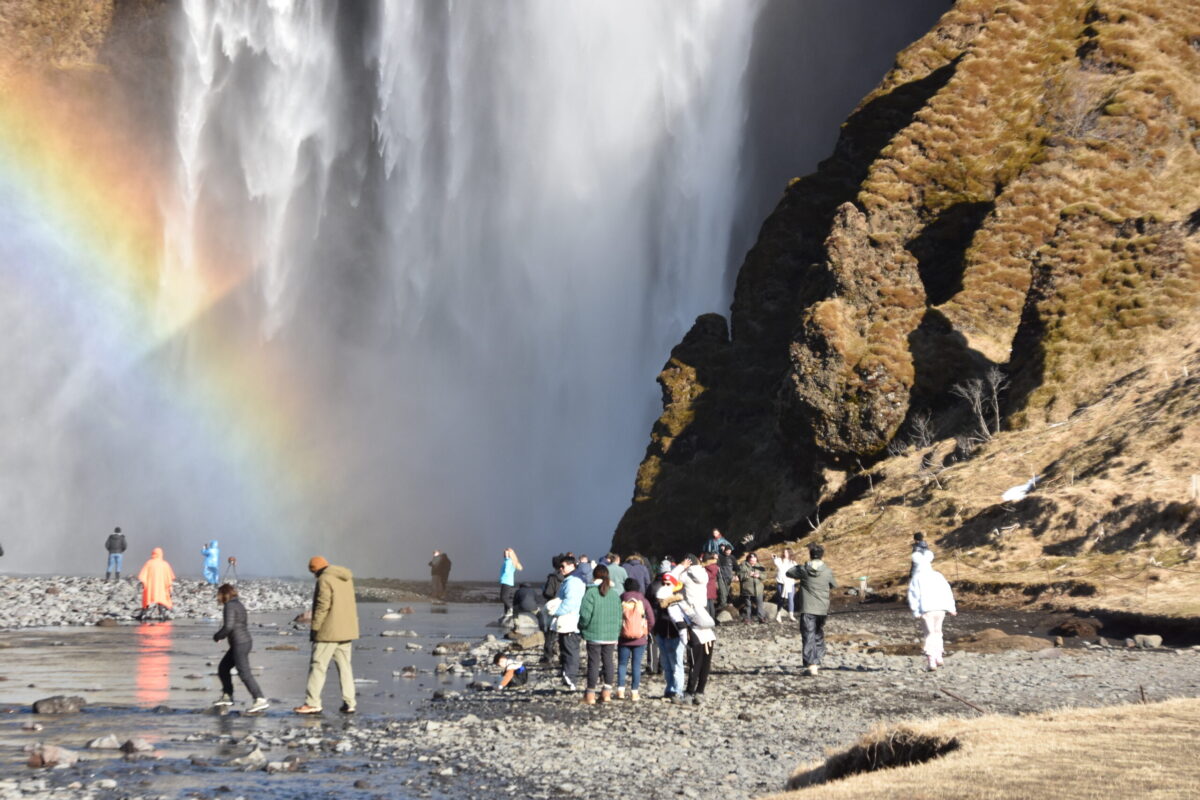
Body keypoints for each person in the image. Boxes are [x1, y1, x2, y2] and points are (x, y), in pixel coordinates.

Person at [294, 556, 360, 715]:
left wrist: (315, 629)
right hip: (347, 630)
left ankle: (312, 703)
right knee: (345, 667)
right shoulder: (345, 577)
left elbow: (322, 606)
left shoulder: (324, 579)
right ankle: (350, 703)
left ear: (314, 570)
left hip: (329, 631)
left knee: (318, 666)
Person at [212, 583, 269, 713]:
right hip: (243, 642)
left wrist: (218, 636)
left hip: (240, 643)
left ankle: (260, 699)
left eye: (219, 595)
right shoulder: (238, 604)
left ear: (223, 595)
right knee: (223, 667)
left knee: (244, 672)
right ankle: (227, 696)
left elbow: (228, 627)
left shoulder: (230, 606)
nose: (218, 598)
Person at [788, 543, 838, 676]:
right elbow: (833, 585)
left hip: (808, 607)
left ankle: (812, 665)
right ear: (822, 556)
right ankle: (818, 657)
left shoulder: (804, 569)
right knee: (818, 632)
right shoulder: (827, 571)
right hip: (822, 608)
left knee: (808, 634)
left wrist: (801, 565)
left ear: (810, 555)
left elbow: (789, 572)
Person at [908, 546, 957, 670]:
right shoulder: (938, 576)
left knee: (929, 633)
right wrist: (951, 607)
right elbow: (947, 591)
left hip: (926, 609)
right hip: (940, 608)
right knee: (938, 632)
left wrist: (915, 610)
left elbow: (914, 595)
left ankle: (931, 660)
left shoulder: (917, 578)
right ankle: (939, 655)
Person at [578, 564, 620, 704]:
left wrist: (582, 628)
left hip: (594, 634)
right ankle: (606, 693)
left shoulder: (590, 593)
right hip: (611, 635)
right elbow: (619, 616)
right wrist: (616, 631)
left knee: (593, 663)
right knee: (608, 662)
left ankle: (590, 695)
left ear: (594, 576)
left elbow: (584, 615)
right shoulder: (614, 594)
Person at [549, 555, 585, 690]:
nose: (561, 569)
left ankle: (570, 679)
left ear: (572, 566)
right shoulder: (572, 580)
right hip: (570, 622)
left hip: (570, 622)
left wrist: (555, 611)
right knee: (567, 650)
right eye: (560, 567)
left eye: (563, 566)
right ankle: (568, 678)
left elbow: (570, 603)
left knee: (570, 651)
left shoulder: (572, 582)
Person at [616, 578, 655, 701]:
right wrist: (646, 631)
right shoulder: (643, 600)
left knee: (622, 664)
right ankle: (634, 692)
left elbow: (615, 617)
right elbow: (652, 619)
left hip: (623, 638)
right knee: (636, 665)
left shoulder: (620, 599)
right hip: (640, 638)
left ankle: (620, 691)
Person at [653, 575, 688, 703]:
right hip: (661, 632)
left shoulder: (678, 598)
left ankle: (678, 691)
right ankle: (669, 689)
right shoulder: (659, 597)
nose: (665, 585)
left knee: (677, 663)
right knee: (666, 663)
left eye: (668, 583)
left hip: (675, 633)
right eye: (664, 583)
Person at [136, 548, 176, 620]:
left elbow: (143, 575)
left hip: (151, 587)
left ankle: (144, 613)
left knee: (147, 599)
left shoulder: (149, 563)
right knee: (161, 599)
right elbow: (169, 577)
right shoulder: (165, 564)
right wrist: (170, 587)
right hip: (162, 587)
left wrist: (143, 583)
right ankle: (162, 613)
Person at [540, 555, 565, 664]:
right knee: (563, 633)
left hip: (553, 605)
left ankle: (548, 656)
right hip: (564, 605)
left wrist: (544, 591)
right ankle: (563, 656)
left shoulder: (552, 577)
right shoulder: (567, 577)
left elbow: (548, 593)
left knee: (549, 632)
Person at [671, 554, 709, 621]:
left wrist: (681, 566)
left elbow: (670, 578)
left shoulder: (685, 575)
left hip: (691, 606)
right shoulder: (704, 572)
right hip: (703, 605)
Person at [738, 553, 767, 623]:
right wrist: (748, 574)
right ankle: (747, 618)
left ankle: (761, 618)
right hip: (747, 588)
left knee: (760, 604)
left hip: (758, 589)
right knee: (748, 605)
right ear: (748, 559)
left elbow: (764, 576)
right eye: (751, 560)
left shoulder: (760, 566)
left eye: (754, 559)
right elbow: (740, 576)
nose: (753, 561)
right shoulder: (743, 565)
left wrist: (759, 575)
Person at [772, 548, 798, 623]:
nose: (785, 553)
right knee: (781, 598)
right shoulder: (780, 560)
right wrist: (774, 557)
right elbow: (776, 561)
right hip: (781, 582)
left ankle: (791, 614)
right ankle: (778, 614)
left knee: (790, 598)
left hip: (790, 582)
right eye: (784, 552)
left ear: (790, 553)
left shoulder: (793, 562)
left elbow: (796, 571)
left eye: (786, 552)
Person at [498, 548, 523, 622]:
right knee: (506, 597)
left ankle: (511, 609)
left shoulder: (508, 561)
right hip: (507, 581)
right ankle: (507, 612)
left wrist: (506, 568)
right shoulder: (510, 561)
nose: (505, 555)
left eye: (507, 554)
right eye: (504, 553)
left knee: (503, 597)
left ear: (510, 555)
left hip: (506, 581)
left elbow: (507, 571)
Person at [716, 544, 736, 611]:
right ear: (724, 550)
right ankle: (723, 605)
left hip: (729, 577)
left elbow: (736, 567)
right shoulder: (720, 556)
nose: (728, 552)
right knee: (722, 591)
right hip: (721, 577)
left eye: (729, 550)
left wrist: (736, 575)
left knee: (727, 592)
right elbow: (717, 566)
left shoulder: (732, 557)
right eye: (727, 550)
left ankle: (725, 604)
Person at [701, 553, 720, 618]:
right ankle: (713, 618)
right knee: (711, 603)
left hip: (706, 587)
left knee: (707, 604)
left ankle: (709, 619)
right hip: (712, 586)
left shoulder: (706, 567)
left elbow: (705, 577)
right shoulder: (715, 566)